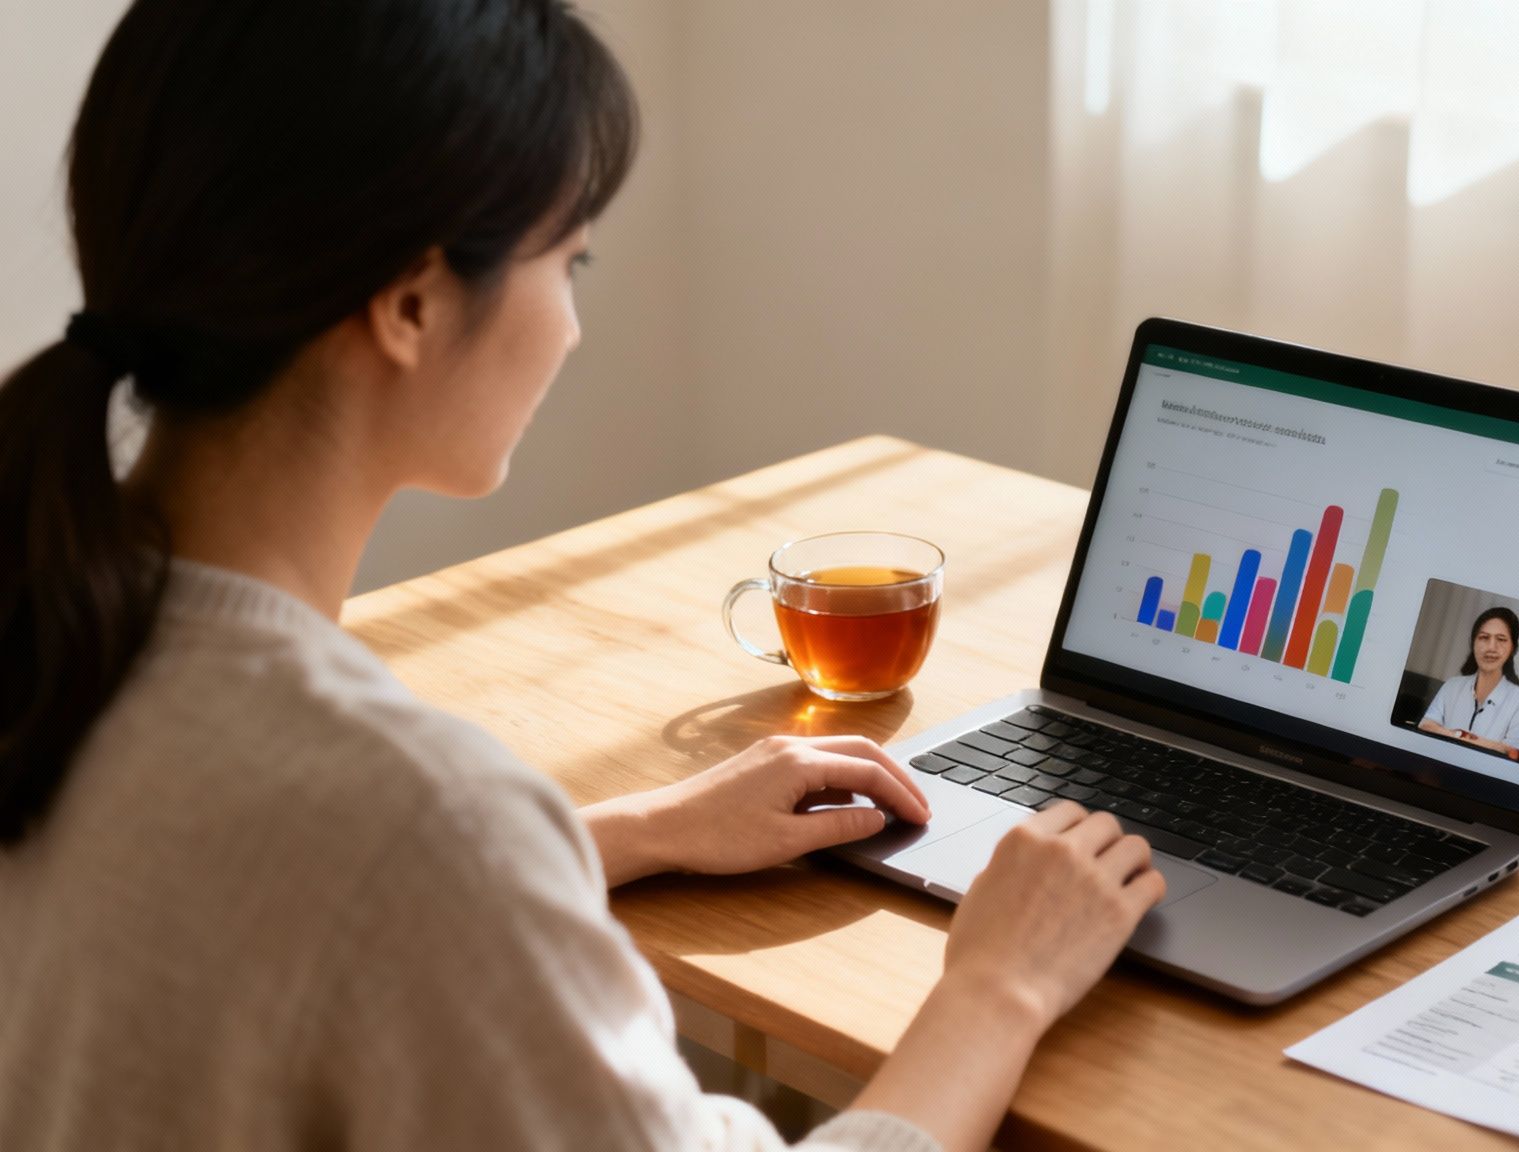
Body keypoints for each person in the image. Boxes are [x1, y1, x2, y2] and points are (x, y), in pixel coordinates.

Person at [0, 3, 1165, 1150]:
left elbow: (261, 881)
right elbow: (390, 859)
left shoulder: (57, 634)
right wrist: (998, 987)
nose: (569, 324)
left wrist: (633, 829)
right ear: (410, 304)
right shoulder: (416, 819)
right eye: (569, 258)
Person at [1416, 606, 1519, 760]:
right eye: (1484, 637)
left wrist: (1461, 737)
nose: (1491, 647)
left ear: (1513, 648)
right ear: (1473, 643)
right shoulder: (1452, 685)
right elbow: (1425, 725)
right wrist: (1460, 735)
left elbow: (1513, 752)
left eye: (1501, 639)